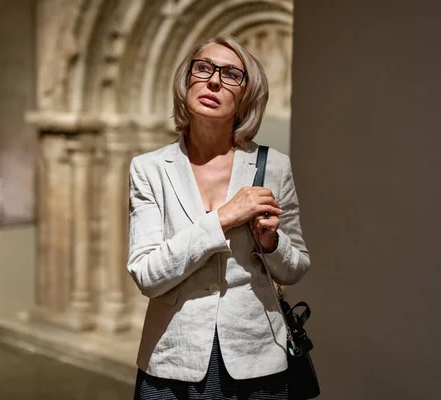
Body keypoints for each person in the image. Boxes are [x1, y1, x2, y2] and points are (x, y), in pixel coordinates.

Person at [127, 35, 310, 400]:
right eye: (204, 68)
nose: (214, 81)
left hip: (257, 358)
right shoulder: (149, 169)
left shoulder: (273, 166)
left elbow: (295, 268)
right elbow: (147, 275)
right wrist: (222, 219)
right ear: (187, 81)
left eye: (231, 75)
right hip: (172, 359)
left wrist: (272, 243)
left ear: (247, 96)